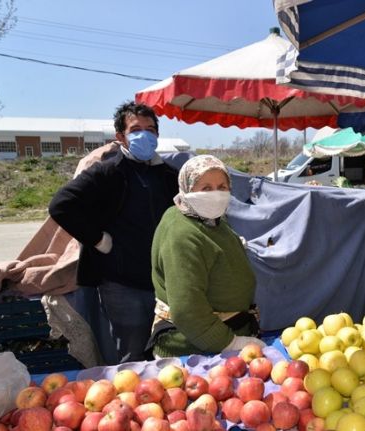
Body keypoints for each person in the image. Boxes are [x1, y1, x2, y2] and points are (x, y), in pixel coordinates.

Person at [49, 101, 178, 363]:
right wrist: (97, 239)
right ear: (121, 137)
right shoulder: (108, 171)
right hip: (122, 284)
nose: (145, 134)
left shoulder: (167, 175)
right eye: (136, 129)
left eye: (150, 129)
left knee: (168, 346)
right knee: (132, 352)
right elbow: (61, 205)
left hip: (164, 281)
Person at [148, 155, 265, 358]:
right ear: (187, 189)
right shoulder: (181, 233)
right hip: (191, 348)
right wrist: (230, 343)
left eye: (222, 186)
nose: (216, 195)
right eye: (206, 188)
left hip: (222, 337)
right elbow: (187, 309)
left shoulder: (213, 218)